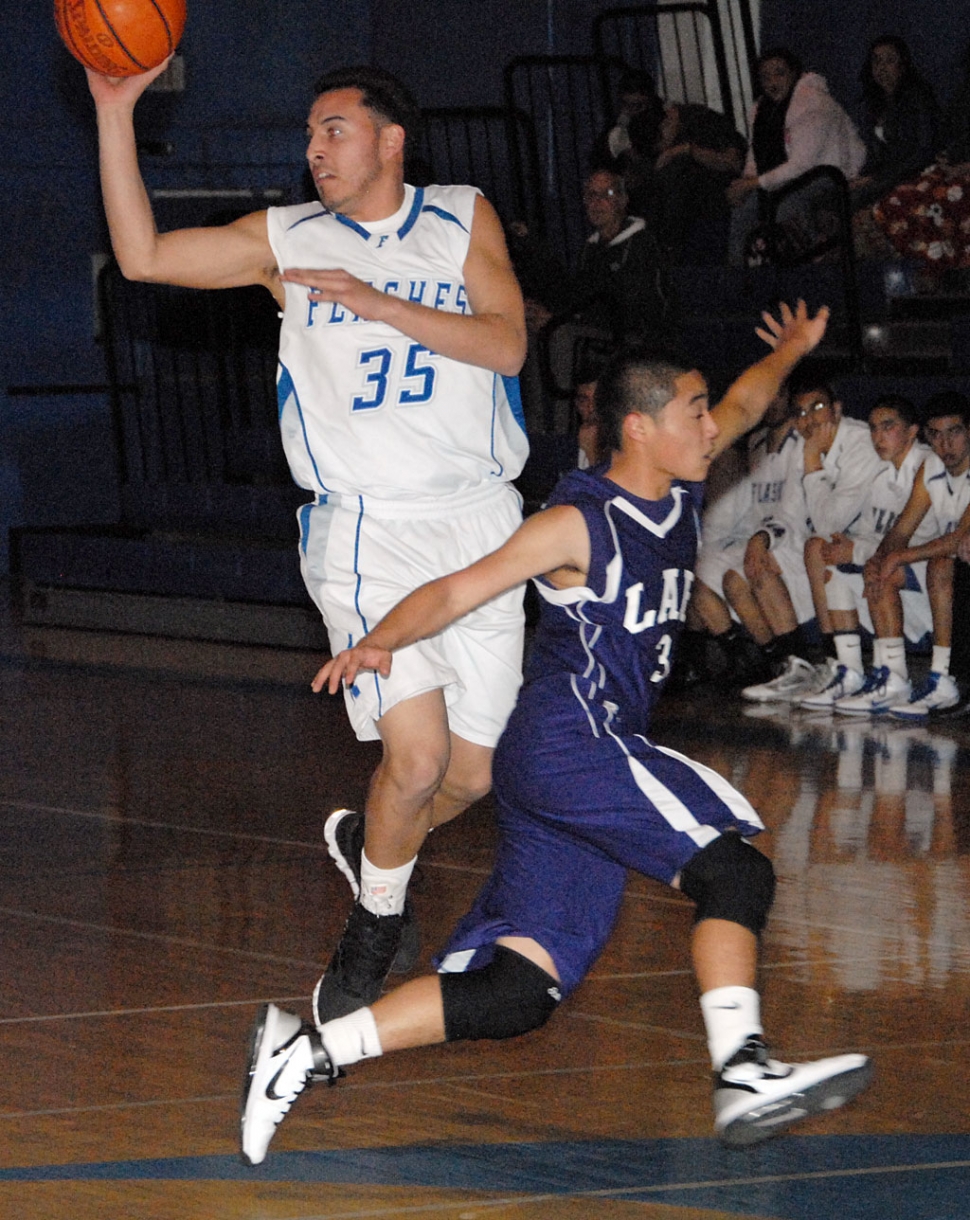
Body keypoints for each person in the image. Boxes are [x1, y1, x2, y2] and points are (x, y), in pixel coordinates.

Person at [239, 301, 872, 1167]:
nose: (711, 421)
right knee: (736, 872)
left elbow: (751, 402)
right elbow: (462, 589)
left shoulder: (680, 478)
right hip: (573, 739)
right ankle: (744, 1069)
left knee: (517, 993)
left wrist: (794, 349)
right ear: (641, 429)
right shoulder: (579, 522)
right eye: (694, 409)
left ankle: (305, 1053)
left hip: (566, 768)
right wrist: (381, 640)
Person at [86, 61, 530, 1019]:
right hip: (368, 525)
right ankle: (375, 924)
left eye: (333, 130)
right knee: (413, 761)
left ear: (389, 139)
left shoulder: (461, 215)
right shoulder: (287, 241)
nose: (313, 150)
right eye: (310, 134)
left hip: (481, 520)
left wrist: (378, 302)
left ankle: (370, 850)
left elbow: (505, 346)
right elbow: (143, 257)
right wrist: (114, 111)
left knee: (473, 773)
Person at [740, 379, 883, 703]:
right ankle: (798, 669)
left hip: (871, 547)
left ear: (837, 409)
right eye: (801, 412)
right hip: (831, 549)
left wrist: (812, 460)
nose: (809, 419)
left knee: (815, 547)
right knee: (760, 564)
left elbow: (828, 523)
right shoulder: (803, 445)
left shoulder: (860, 441)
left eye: (817, 408)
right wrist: (761, 539)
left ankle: (839, 665)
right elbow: (788, 514)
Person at [832, 392, 970, 717]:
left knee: (940, 563)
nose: (944, 444)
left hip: (954, 566)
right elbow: (901, 529)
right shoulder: (932, 466)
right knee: (883, 567)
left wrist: (898, 557)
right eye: (935, 435)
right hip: (954, 569)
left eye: (954, 432)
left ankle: (945, 677)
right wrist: (880, 559)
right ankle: (893, 676)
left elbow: (958, 538)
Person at [798, 394, 933, 710]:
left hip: (936, 575)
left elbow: (919, 541)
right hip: (903, 573)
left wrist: (857, 552)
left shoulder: (928, 466)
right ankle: (850, 672)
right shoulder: (882, 473)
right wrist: (847, 550)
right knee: (833, 567)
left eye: (888, 427)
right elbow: (869, 534)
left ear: (912, 431)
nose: (878, 436)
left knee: (881, 568)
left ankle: (895, 676)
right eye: (873, 428)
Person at [727, 48, 866, 267]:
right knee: (743, 209)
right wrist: (745, 183)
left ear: (794, 74)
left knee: (787, 205)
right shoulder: (760, 109)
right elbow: (755, 155)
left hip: (828, 176)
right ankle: (740, 281)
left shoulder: (812, 102)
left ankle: (801, 275)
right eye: (765, 77)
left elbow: (803, 165)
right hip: (785, 178)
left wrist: (753, 183)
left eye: (779, 73)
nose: (773, 82)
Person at [873, 41, 970, 269]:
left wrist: (963, 167)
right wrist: (948, 158)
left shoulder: (917, 96)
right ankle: (926, 275)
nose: (882, 68)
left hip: (963, 172)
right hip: (952, 166)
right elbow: (950, 134)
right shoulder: (965, 92)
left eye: (890, 60)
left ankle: (946, 273)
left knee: (945, 199)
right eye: (876, 61)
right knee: (894, 203)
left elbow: (919, 151)